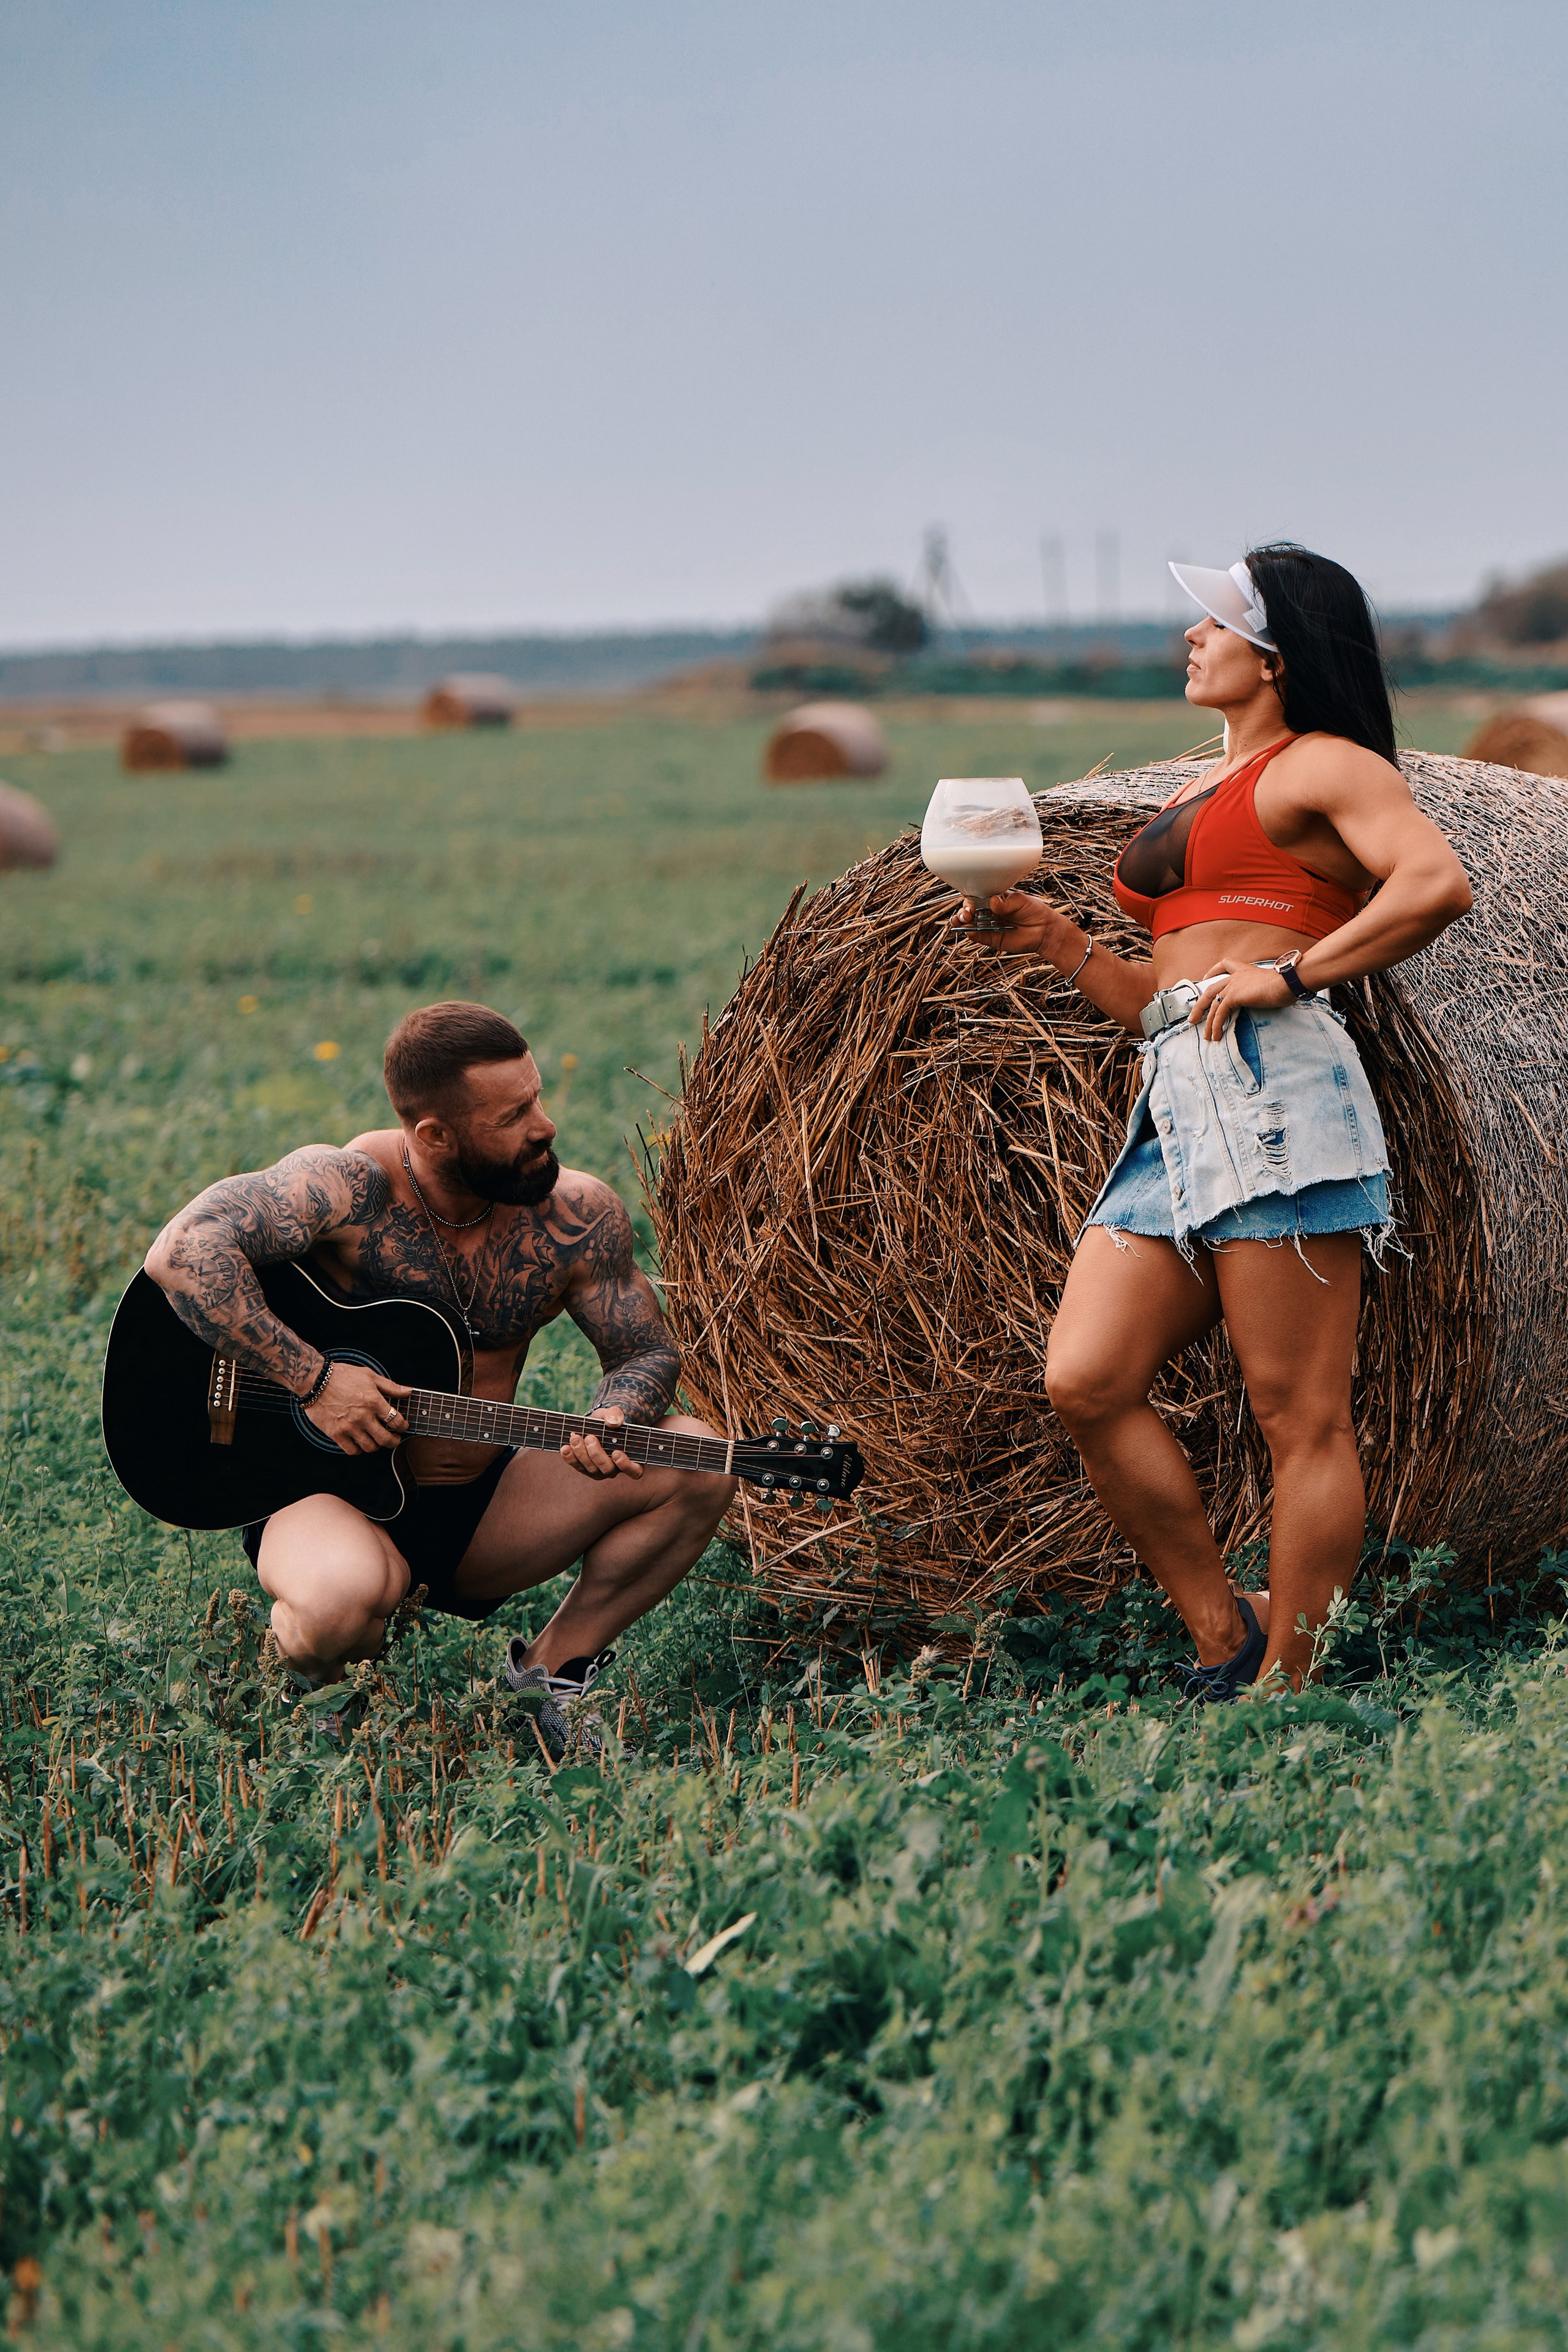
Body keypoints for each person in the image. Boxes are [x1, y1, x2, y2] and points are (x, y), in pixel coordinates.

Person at [957, 545, 1472, 1695]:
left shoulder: (1322, 763)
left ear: (1277, 654)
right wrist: (1061, 944)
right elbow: (1167, 1002)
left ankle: (1286, 1687)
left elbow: (1436, 884)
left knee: (1301, 1418)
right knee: (1086, 1377)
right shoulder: (1203, 787)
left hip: (1277, 1092)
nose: (1192, 636)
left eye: (1218, 622)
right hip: (1177, 1099)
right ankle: (1222, 1634)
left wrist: (1293, 975)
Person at [143, 1000, 734, 1738]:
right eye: (512, 1115)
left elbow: (643, 1351)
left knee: (700, 1459)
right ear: (433, 1135)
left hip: (476, 1510)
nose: (545, 1126)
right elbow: (183, 1250)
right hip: (326, 1495)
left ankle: (546, 1682)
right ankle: (319, 1691)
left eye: (537, 1098)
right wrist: (314, 1380)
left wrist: (617, 1412)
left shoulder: (575, 1216)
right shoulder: (349, 1188)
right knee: (342, 1602)